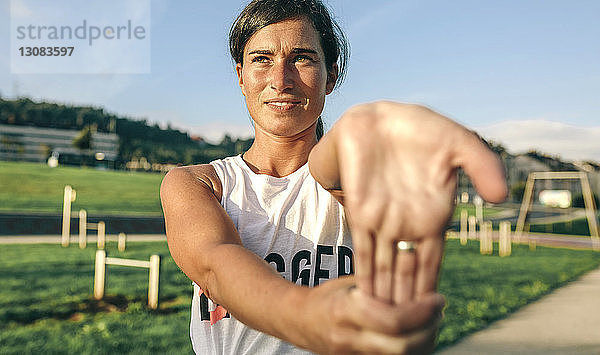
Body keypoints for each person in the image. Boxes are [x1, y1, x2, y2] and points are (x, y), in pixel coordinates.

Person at [160, 0, 508, 354]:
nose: (280, 80)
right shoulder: (197, 183)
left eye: (302, 58)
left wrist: (350, 134)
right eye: (262, 59)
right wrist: (308, 317)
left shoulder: (353, 178)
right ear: (240, 76)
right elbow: (216, 265)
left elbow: (330, 171)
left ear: (332, 76)